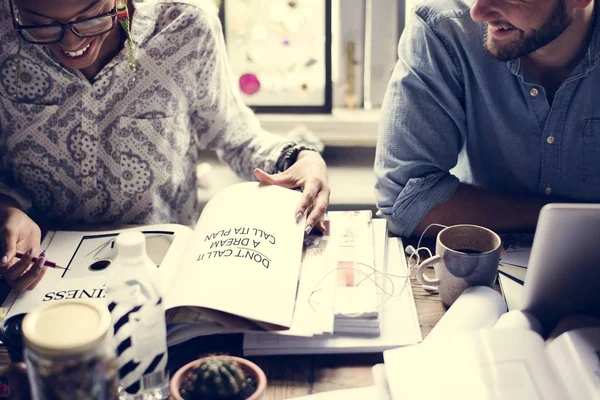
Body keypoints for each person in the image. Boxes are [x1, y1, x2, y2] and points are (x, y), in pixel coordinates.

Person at [0, 0, 330, 291]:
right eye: (40, 24)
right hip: (38, 282)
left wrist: (300, 157)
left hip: (164, 278)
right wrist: (6, 211)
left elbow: (235, 135)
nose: (70, 41)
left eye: (90, 17)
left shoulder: (185, 30)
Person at [375, 0, 600, 237]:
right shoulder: (445, 30)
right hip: (478, 263)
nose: (478, 12)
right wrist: (558, 219)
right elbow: (405, 203)